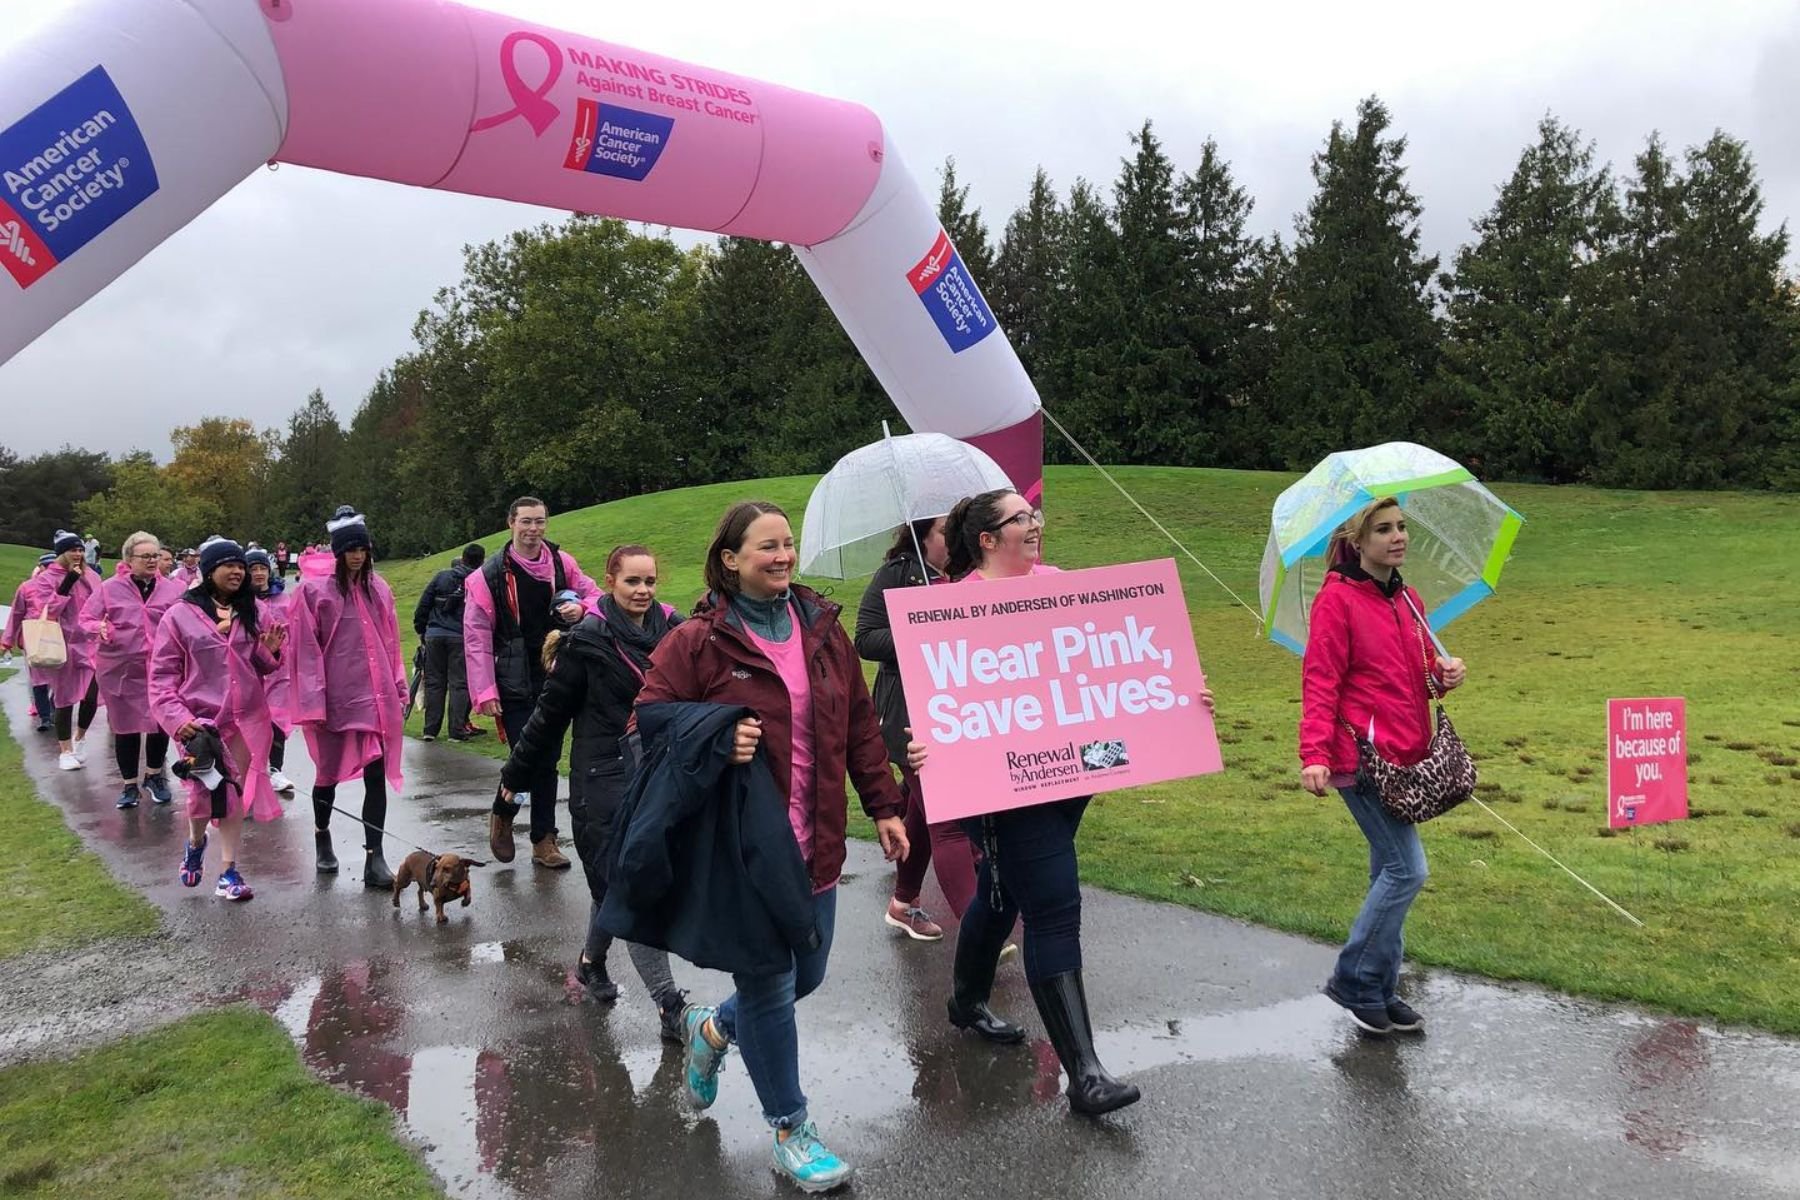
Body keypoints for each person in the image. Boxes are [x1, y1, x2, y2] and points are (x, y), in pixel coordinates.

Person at [634, 500, 917, 1193]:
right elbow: (649, 717)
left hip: (815, 843)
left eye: (788, 544)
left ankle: (711, 1033)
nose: (783, 556)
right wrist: (715, 735)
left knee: (805, 977)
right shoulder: (698, 641)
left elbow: (857, 724)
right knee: (768, 983)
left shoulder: (822, 629)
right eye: (767, 546)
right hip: (744, 850)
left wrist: (882, 804)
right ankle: (792, 1129)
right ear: (730, 560)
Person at [935, 488, 1213, 1117]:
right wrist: (927, 748)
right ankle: (1086, 1075)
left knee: (1003, 892)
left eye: (1034, 515)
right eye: (1020, 519)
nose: (1035, 526)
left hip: (1073, 773)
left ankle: (966, 999)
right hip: (1001, 787)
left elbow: (1119, 662)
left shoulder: (1063, 586)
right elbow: (941, 706)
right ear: (986, 539)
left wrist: (1179, 697)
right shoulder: (949, 609)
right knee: (1054, 902)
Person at [500, 544, 689, 1034]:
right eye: (632, 582)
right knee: (631, 890)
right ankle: (670, 1006)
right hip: (600, 785)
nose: (643, 591)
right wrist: (510, 787)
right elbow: (545, 723)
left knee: (612, 891)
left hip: (655, 778)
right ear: (610, 581)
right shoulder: (585, 642)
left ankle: (589, 963)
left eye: (650, 581)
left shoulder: (673, 632)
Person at [1299, 496, 1467, 1037]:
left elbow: (1414, 677)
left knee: (1385, 873)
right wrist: (1315, 756)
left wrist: (1442, 675)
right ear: (1358, 539)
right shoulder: (1338, 601)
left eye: (1401, 528)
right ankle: (1354, 980)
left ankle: (1380, 988)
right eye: (1383, 530)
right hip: (1361, 759)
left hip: (1406, 758)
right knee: (1407, 870)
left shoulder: (1408, 599)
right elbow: (1320, 680)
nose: (1398, 538)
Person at [149, 536, 287, 901]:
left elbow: (259, 666)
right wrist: (178, 720)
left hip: (244, 719)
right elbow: (161, 677)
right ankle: (195, 842)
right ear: (209, 571)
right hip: (198, 724)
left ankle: (228, 871)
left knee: (232, 793)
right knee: (201, 793)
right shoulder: (179, 616)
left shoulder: (254, 612)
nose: (238, 572)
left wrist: (269, 653)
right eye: (230, 565)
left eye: (241, 566)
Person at [463, 497, 597, 868]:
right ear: (510, 523)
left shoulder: (561, 562)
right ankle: (503, 811)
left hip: (557, 672)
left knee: (550, 756)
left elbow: (595, 593)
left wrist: (582, 608)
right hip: (512, 676)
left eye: (540, 522)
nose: (533, 529)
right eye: (526, 522)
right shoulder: (487, 576)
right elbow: (475, 636)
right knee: (529, 754)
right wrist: (485, 690)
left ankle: (543, 839)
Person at [852, 517, 967, 942]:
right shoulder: (898, 574)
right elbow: (865, 639)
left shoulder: (967, 575)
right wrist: (922, 631)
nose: (953, 542)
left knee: (919, 814)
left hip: (958, 712)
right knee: (948, 818)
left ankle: (903, 903)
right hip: (909, 712)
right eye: (943, 533)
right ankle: (982, 935)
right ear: (922, 536)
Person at [289, 506, 408, 887]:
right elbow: (305, 652)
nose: (357, 556)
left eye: (363, 549)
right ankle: (322, 836)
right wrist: (313, 702)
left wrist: (398, 687)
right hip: (334, 700)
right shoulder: (313, 592)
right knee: (327, 775)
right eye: (350, 549)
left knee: (376, 774)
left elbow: (391, 642)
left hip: (375, 699)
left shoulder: (380, 589)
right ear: (338, 552)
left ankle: (375, 857)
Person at [81, 531, 183, 807]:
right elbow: (86, 618)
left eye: (156, 556)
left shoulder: (173, 590)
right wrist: (101, 628)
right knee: (124, 726)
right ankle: (129, 785)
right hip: (119, 668)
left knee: (160, 721)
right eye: (146, 556)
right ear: (129, 559)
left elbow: (186, 621)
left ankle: (154, 776)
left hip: (161, 668)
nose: (153, 561)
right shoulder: (109, 588)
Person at [32, 531, 101, 771]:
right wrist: (68, 582)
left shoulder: (90, 575)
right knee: (64, 698)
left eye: (80, 550)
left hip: (90, 643)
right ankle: (65, 750)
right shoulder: (46, 578)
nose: (78, 554)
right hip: (62, 644)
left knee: (92, 694)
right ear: (61, 552)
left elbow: (101, 602)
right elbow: (48, 611)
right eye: (72, 550)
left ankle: (80, 737)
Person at [413, 543, 485, 742]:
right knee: (459, 684)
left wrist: (422, 629)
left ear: (462, 558)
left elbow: (424, 605)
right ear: (481, 561)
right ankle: (456, 730)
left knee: (435, 683)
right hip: (461, 636)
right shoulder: (479, 580)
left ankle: (430, 730)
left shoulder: (442, 576)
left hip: (435, 634)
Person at [246, 548, 298, 794]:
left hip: (280, 672)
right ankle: (250, 769)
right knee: (250, 723)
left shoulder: (283, 600)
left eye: (262, 569)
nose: (258, 574)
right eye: (253, 569)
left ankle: (275, 769)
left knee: (277, 720)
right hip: (250, 671)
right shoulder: (241, 603)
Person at [2, 554, 58, 732]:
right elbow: (17, 614)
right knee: (39, 679)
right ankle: (45, 716)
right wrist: (7, 641)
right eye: (47, 566)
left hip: (58, 638)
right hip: (33, 638)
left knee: (58, 678)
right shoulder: (27, 588)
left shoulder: (64, 586)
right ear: (40, 568)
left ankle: (52, 710)